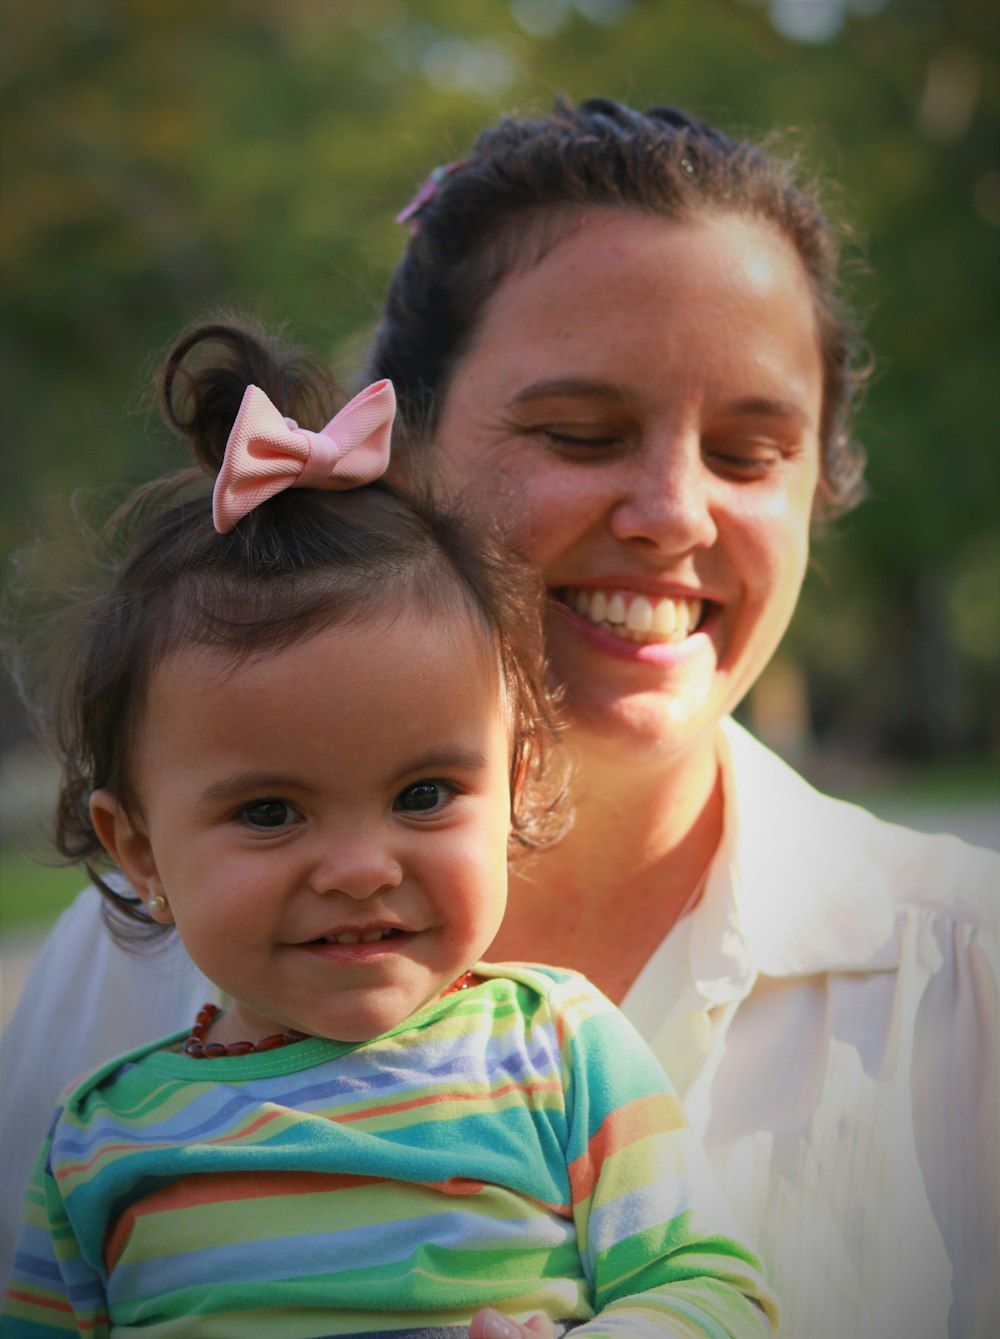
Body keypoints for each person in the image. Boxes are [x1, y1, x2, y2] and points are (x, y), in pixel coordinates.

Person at [2, 96, 997, 1336]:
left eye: (750, 454)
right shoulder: (120, 982)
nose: (674, 512)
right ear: (394, 460)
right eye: (579, 431)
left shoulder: (969, 976)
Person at [1, 320, 779, 1339]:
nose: (363, 868)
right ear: (140, 849)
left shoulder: (556, 1048)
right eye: (270, 812)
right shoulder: (105, 1136)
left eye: (422, 795)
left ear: (514, 783)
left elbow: (714, 1287)